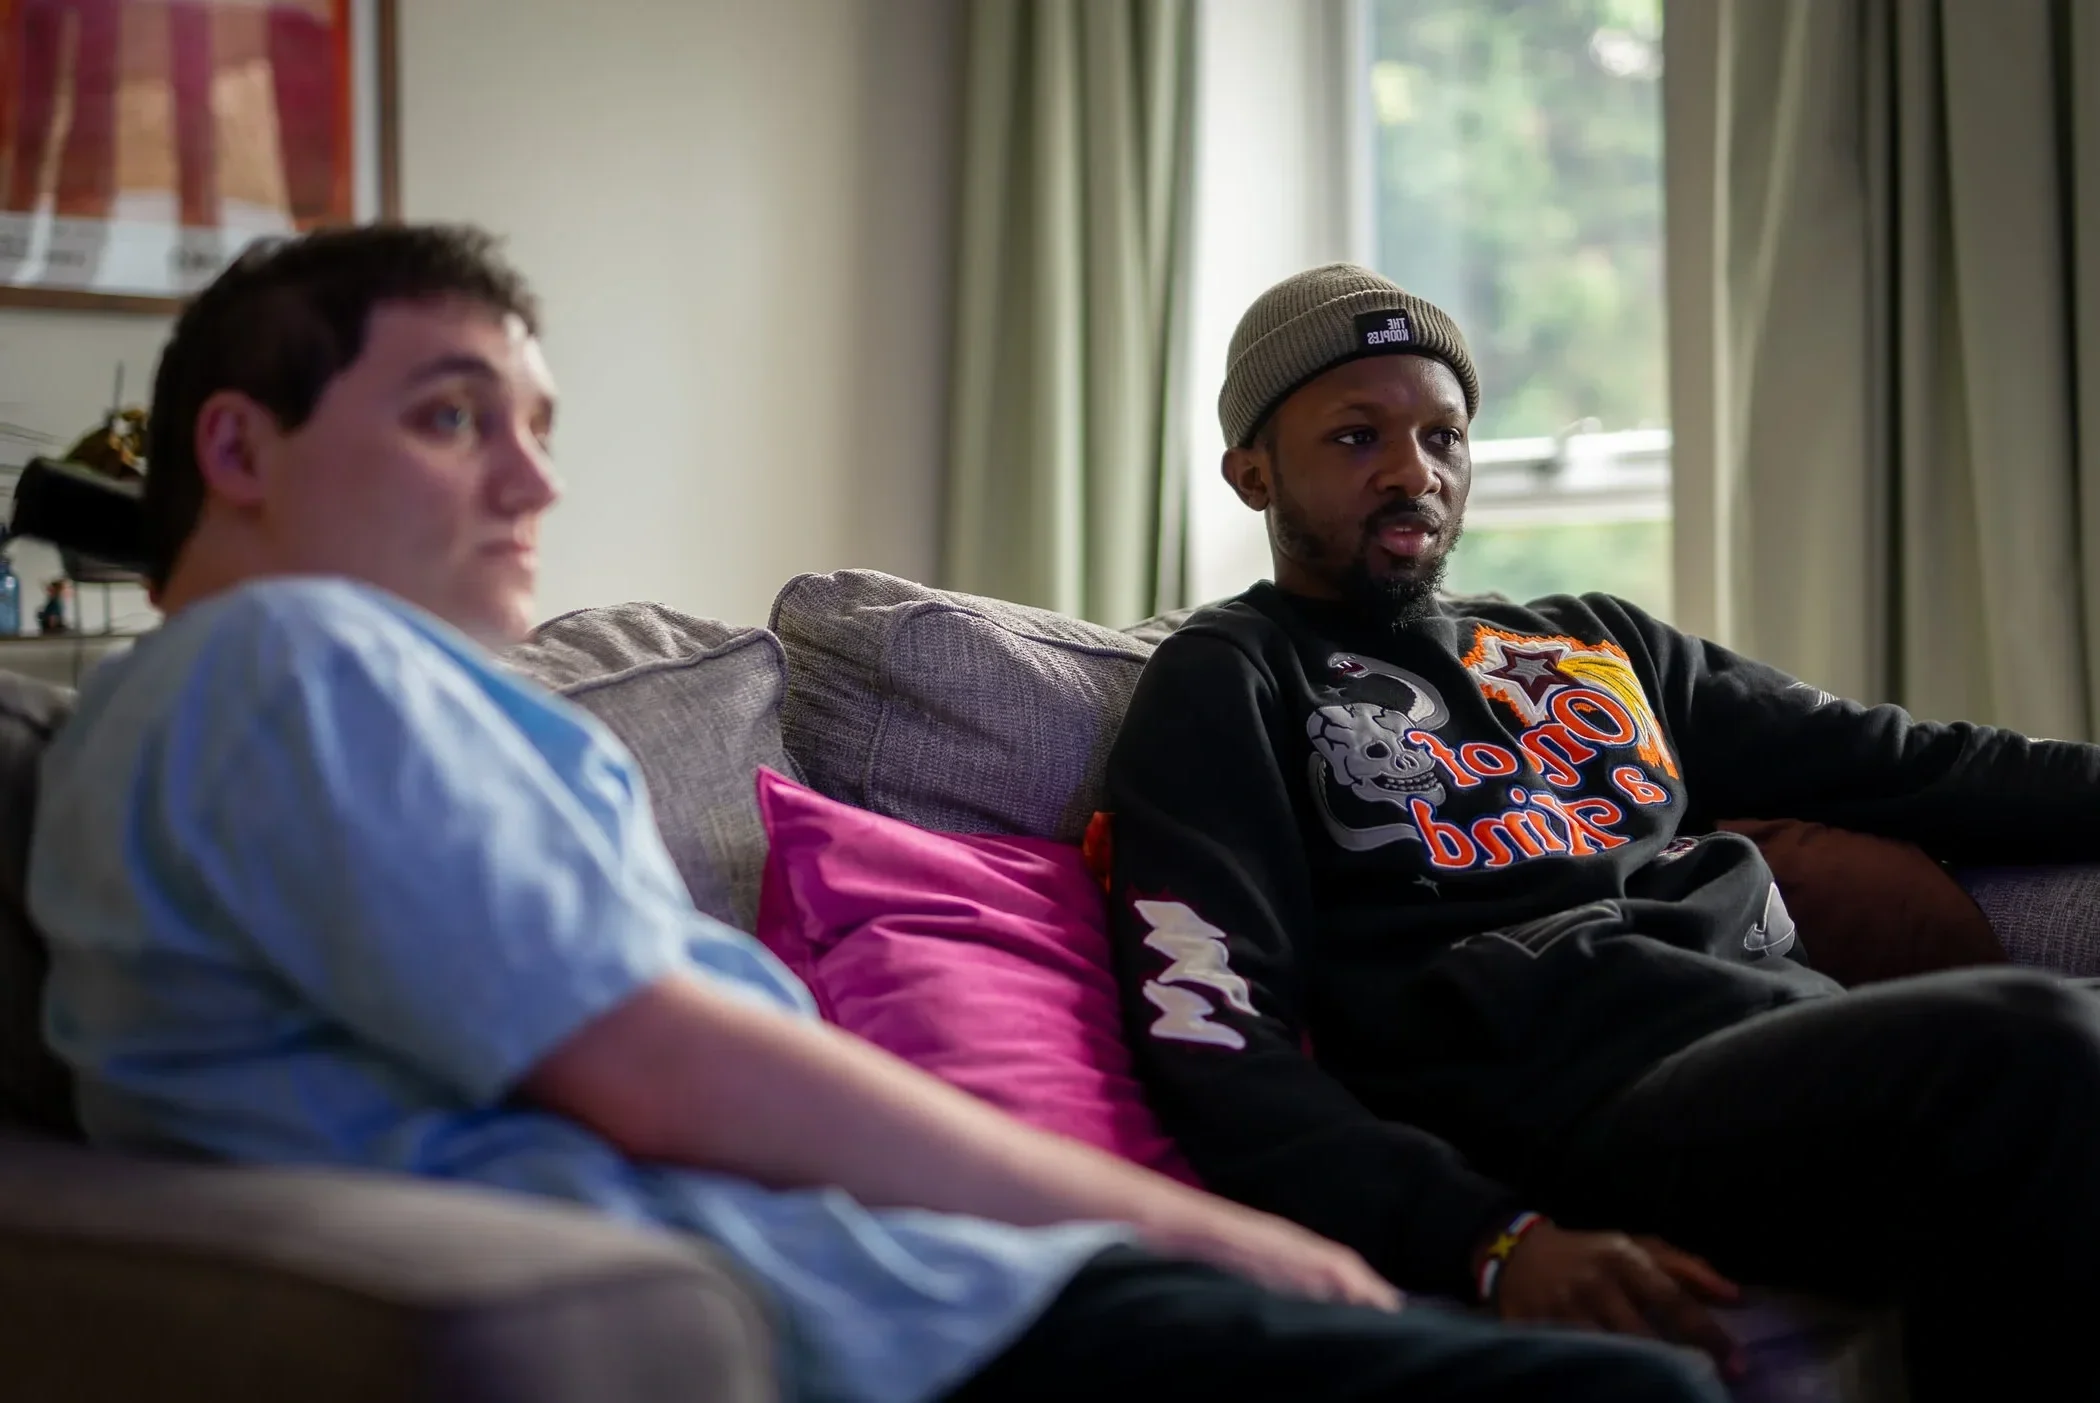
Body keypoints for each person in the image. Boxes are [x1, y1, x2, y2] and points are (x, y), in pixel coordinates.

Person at [25, 225, 1728, 1403]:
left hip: (902, 1288)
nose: (536, 482)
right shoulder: (278, 658)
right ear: (238, 448)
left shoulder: (382, 702)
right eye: (453, 416)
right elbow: (661, 1059)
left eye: (539, 427)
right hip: (868, 1331)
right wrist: (1199, 1221)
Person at [1104, 261, 2100, 1403]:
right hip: (1590, 1112)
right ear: (1252, 472)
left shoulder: (1598, 642)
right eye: (1355, 437)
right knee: (2029, 1045)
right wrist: (1493, 1235)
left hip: (1808, 1053)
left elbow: (1915, 765)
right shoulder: (1231, 677)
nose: (1411, 472)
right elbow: (1207, 1026)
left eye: (1443, 434)